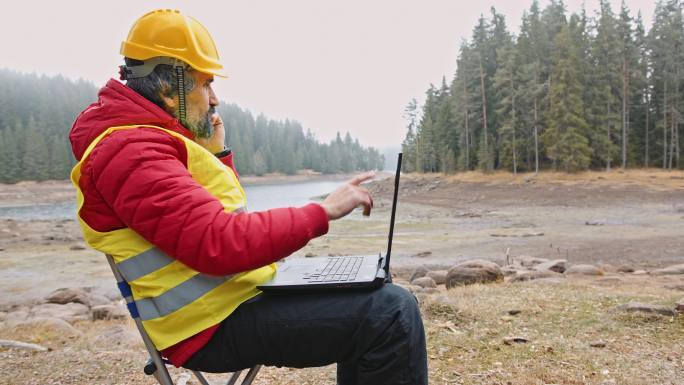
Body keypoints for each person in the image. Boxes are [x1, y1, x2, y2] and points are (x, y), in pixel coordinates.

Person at [69, 9, 427, 385]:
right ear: (168, 85)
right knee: (390, 314)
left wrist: (216, 155)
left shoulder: (145, 140)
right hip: (207, 326)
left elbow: (216, 219)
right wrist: (321, 212)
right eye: (205, 83)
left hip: (232, 300)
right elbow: (218, 242)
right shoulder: (129, 149)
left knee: (376, 288)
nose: (214, 99)